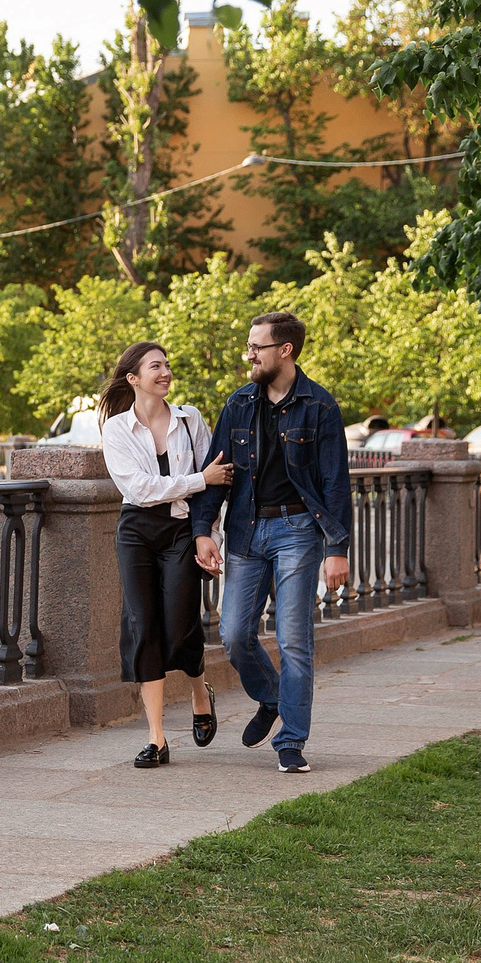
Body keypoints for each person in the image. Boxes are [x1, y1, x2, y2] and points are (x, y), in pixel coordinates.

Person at [189, 310, 352, 773]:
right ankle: (273, 697)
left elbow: (335, 482)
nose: (249, 354)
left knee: (293, 639)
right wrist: (203, 530)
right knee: (234, 633)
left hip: (298, 531)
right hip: (245, 530)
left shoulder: (319, 406)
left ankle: (291, 742)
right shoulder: (239, 404)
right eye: (249, 345)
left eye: (256, 347)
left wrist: (337, 550)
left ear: (285, 350)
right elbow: (218, 474)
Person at [100, 341, 235, 767]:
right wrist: (198, 479)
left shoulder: (190, 419)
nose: (165, 371)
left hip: (181, 530)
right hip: (137, 531)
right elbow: (138, 489)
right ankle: (157, 738)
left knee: (179, 623)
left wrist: (207, 534)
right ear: (133, 378)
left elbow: (219, 483)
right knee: (142, 626)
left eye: (167, 365)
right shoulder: (117, 430)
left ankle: (199, 691)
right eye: (155, 366)